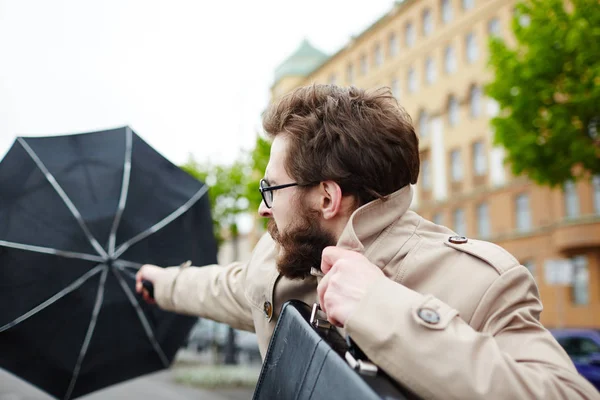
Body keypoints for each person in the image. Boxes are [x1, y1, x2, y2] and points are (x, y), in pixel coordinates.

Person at [136, 84, 598, 399]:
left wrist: (381, 308)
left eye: (270, 190)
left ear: (327, 196)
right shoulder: (280, 259)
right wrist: (160, 282)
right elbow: (227, 287)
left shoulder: (481, 279)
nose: (262, 208)